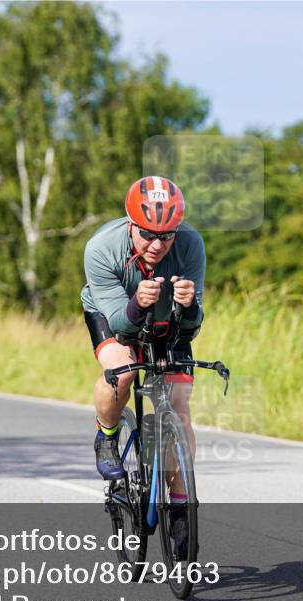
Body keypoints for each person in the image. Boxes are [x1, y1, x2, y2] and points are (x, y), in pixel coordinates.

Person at [81, 176, 205, 545]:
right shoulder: (101, 248)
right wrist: (138, 302)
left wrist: (190, 305)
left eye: (166, 236)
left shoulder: (191, 244)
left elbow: (194, 324)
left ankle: (181, 506)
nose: (157, 245)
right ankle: (106, 436)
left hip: (168, 320)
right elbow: (120, 320)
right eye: (148, 234)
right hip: (113, 313)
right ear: (131, 224)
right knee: (120, 372)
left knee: (180, 407)